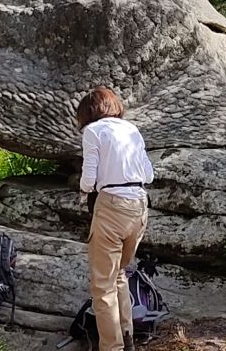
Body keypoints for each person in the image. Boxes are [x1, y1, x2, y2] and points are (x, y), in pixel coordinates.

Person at [75, 87, 154, 351]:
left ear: (87, 113)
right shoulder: (131, 129)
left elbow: (88, 179)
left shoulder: (93, 132)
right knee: (120, 273)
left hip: (111, 206)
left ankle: (113, 347)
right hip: (139, 204)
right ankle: (128, 335)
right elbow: (149, 174)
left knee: (102, 286)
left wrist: (85, 189)